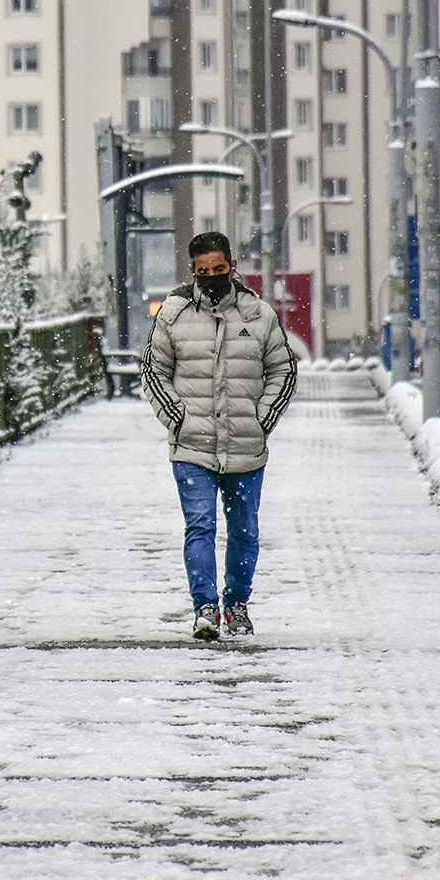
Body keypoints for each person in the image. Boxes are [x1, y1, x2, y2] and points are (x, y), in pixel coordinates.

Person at [139, 231, 297, 641]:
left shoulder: (258, 314)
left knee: (244, 529)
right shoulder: (172, 314)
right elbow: (153, 370)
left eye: (219, 269)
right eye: (203, 270)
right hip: (192, 445)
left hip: (245, 444)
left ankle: (237, 604)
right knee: (200, 526)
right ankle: (204, 607)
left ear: (232, 266)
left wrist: (262, 420)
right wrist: (178, 418)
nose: (212, 276)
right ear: (191, 270)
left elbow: (284, 369)